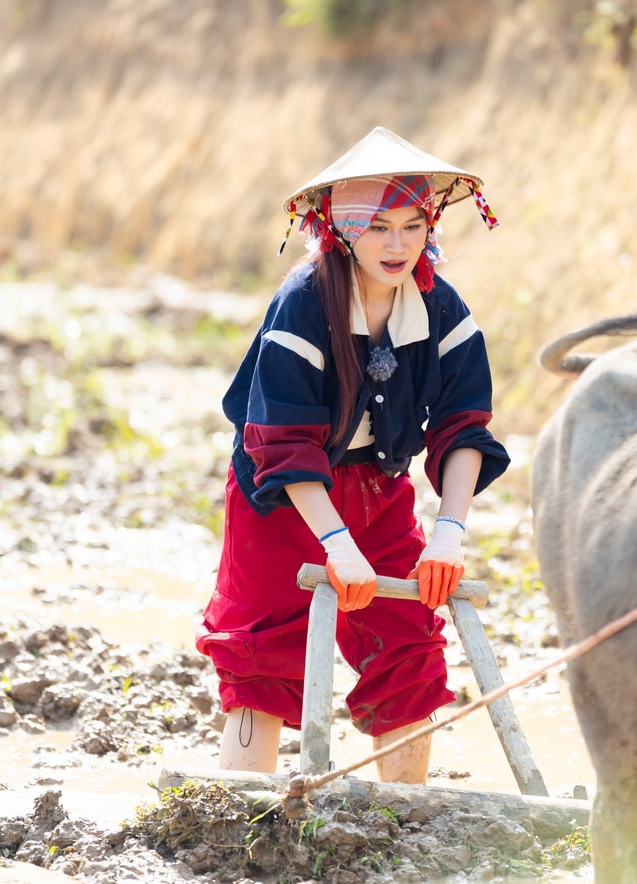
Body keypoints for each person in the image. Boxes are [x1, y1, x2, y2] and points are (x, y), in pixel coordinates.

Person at [195, 127, 508, 783]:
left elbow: (464, 425)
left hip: (376, 488)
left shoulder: (439, 305)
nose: (398, 246)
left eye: (412, 226)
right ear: (341, 230)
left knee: (407, 641)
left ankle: (405, 814)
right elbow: (282, 440)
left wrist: (449, 532)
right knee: (262, 654)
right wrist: (335, 544)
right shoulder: (305, 303)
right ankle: (237, 808)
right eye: (378, 228)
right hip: (282, 494)